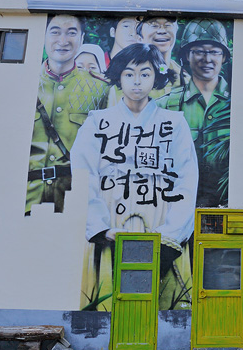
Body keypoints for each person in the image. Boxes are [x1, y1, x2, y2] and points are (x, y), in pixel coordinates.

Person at [72, 43, 198, 311]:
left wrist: (169, 234)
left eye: (145, 73)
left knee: (164, 303)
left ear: (156, 77)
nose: (137, 82)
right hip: (111, 220)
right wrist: (101, 228)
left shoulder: (174, 122)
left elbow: (186, 180)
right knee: (106, 300)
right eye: (129, 74)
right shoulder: (97, 121)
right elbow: (83, 176)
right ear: (119, 76)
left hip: (159, 219)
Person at [25, 14, 110, 215]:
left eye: (71, 33)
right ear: (44, 36)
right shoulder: (23, 83)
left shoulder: (99, 89)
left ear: (81, 40)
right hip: (26, 195)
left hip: (75, 196)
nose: (62, 41)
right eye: (55, 32)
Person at [157, 18, 231, 207]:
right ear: (186, 57)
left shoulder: (239, 105)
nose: (207, 59)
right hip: (175, 205)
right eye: (198, 52)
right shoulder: (165, 105)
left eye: (214, 52)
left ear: (223, 57)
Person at [136, 16, 188, 98]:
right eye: (154, 25)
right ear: (139, 39)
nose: (162, 31)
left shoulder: (185, 78)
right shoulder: (126, 77)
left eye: (168, 25)